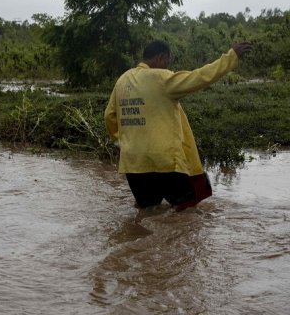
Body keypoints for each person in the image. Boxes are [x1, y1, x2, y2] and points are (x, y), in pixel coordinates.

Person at [104, 40, 253, 210]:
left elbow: (109, 116)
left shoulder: (122, 80)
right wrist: (230, 57)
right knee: (187, 211)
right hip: (164, 161)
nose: (168, 66)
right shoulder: (162, 78)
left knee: (148, 212)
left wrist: (121, 142)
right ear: (161, 58)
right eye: (167, 62)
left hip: (133, 163)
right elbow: (200, 77)